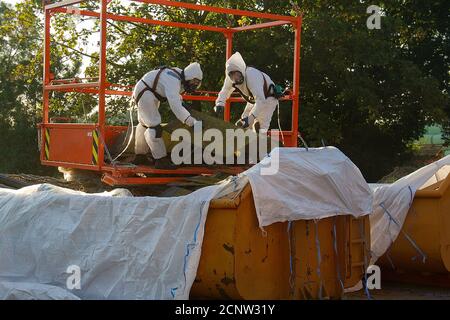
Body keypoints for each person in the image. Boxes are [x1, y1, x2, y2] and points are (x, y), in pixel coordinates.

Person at [132, 62, 202, 169]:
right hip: (146, 92)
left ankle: (140, 156)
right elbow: (174, 105)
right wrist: (191, 121)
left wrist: (182, 103)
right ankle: (160, 160)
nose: (194, 85)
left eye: (197, 83)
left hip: (146, 91)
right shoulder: (173, 80)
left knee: (144, 124)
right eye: (194, 81)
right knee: (154, 127)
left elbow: (175, 95)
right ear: (189, 77)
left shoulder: (178, 75)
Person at [214, 52, 279, 133]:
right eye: (232, 76)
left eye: (237, 74)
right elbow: (225, 90)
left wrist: (251, 118)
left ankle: (259, 138)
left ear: (241, 70)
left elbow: (261, 100)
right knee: (244, 121)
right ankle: (244, 139)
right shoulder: (230, 78)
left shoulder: (251, 76)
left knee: (262, 124)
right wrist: (220, 103)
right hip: (254, 98)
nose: (235, 78)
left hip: (269, 97)